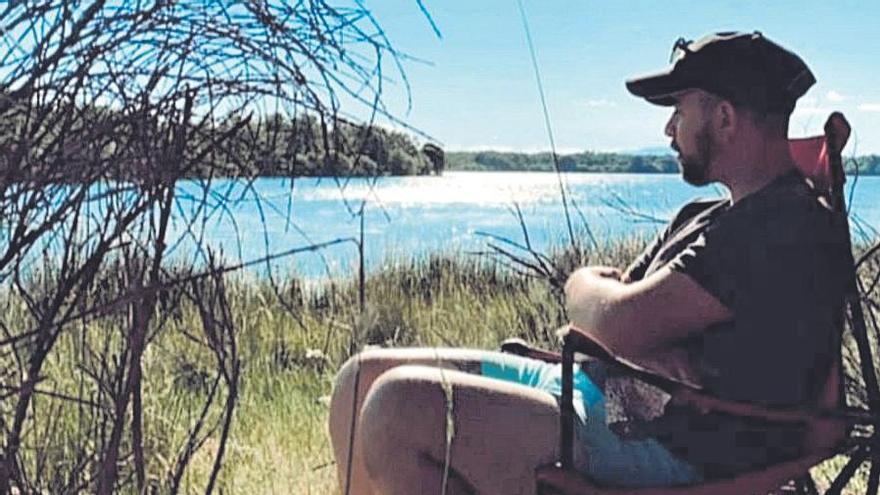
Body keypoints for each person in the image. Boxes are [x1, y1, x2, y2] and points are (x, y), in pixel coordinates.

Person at [327, 31, 851, 494]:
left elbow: (611, 320)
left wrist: (598, 303)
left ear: (724, 117)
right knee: (361, 379)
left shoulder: (780, 228)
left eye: (679, 110)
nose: (670, 129)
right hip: (599, 396)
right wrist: (615, 313)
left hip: (669, 448)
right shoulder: (707, 215)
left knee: (399, 408)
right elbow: (614, 309)